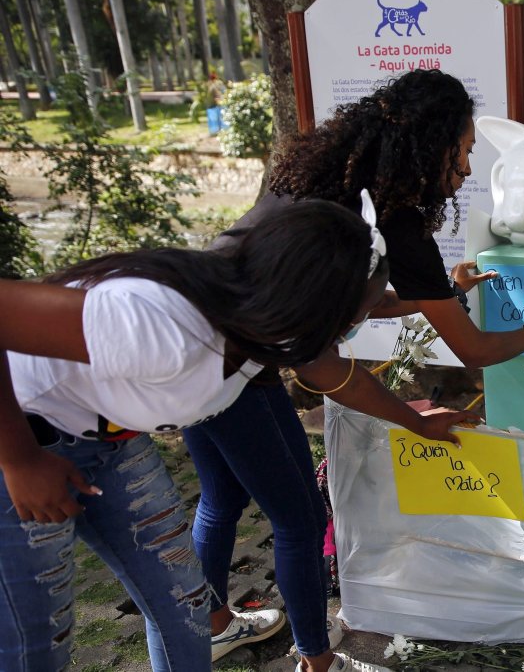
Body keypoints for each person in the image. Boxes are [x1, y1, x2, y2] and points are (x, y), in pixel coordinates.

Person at [185, 69, 524, 672]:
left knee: (220, 495)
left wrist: (440, 293)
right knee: (299, 516)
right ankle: (317, 661)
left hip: (196, 329)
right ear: (433, 146)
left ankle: (217, 625)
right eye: (463, 152)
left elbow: (356, 298)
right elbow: (465, 353)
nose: (465, 169)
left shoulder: (312, 176)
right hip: (234, 367)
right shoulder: (395, 223)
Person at [0, 201, 474, 671]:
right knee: (33, 646)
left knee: (186, 606)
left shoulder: (263, 328)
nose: (359, 324)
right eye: (358, 313)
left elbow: (344, 378)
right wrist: (21, 460)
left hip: (111, 443)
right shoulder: (154, 325)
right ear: (313, 305)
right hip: (19, 441)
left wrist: (419, 423)